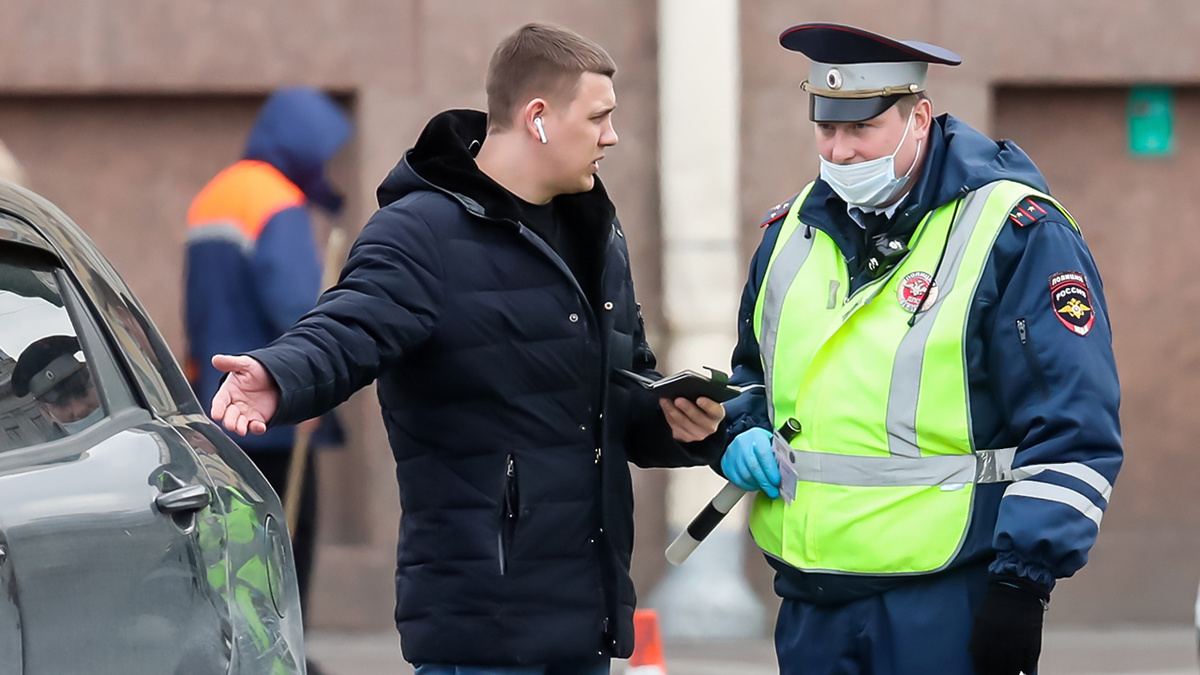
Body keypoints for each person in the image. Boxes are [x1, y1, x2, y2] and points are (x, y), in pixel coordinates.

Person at [209, 23, 726, 674]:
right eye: (598, 118)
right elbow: (348, 324)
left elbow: (617, 388)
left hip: (583, 623)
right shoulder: (421, 231)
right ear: (538, 118)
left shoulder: (595, 229)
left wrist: (679, 423)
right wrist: (279, 373)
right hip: (481, 632)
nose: (612, 137)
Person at [718, 23, 1122, 675]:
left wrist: (1022, 582)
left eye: (863, 129)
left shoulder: (1016, 233)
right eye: (827, 128)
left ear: (920, 117)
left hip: (945, 598)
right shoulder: (788, 232)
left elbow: (1074, 426)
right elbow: (753, 371)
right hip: (810, 602)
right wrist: (743, 427)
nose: (841, 151)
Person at [184, 86, 351, 675]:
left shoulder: (214, 196)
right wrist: (317, 375)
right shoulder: (276, 202)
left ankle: (241, 655)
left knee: (234, 546)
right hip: (274, 406)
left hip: (217, 404)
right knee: (287, 536)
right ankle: (284, 658)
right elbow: (297, 307)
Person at [11, 334, 102, 435]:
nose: (79, 410)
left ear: (96, 381)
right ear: (46, 411)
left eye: (82, 392)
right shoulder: (55, 446)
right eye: (61, 404)